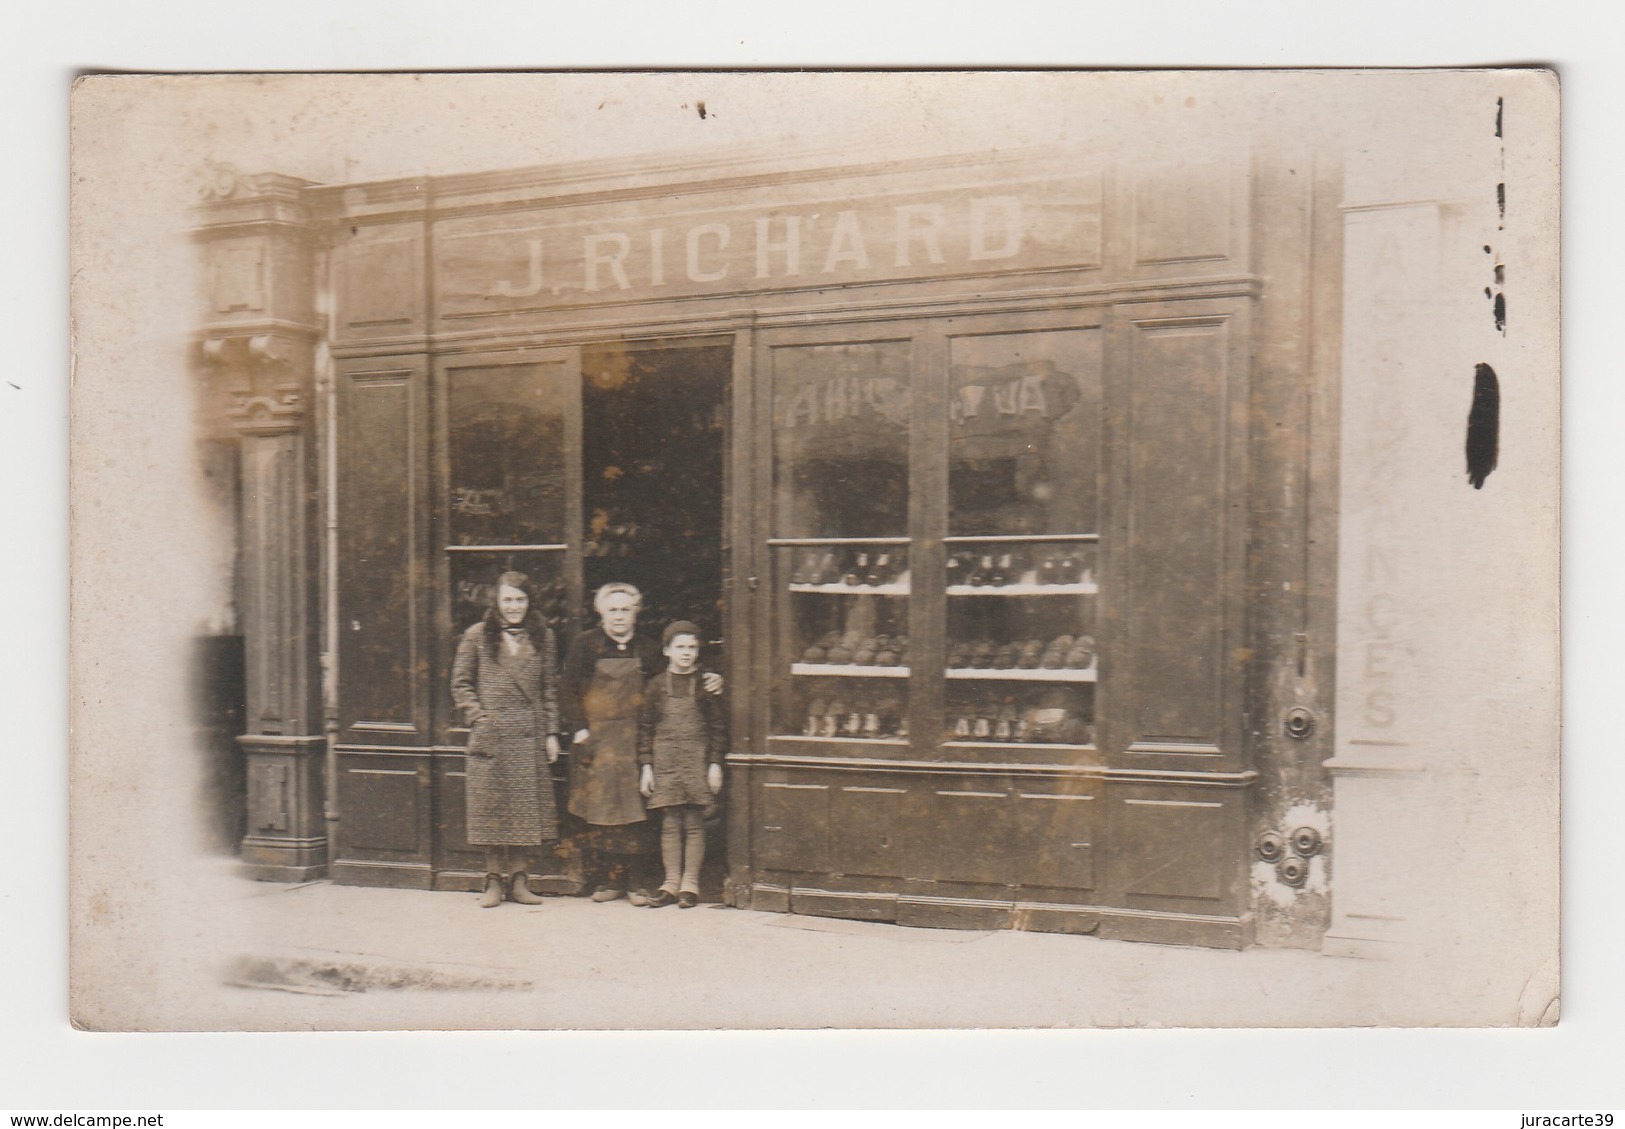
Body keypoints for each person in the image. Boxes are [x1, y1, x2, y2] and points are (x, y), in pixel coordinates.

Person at [561, 582, 721, 903]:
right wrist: (580, 729)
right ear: (601, 612)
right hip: (599, 738)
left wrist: (713, 678)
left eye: (625, 610)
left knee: (638, 811)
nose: (619, 616)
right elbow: (567, 689)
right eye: (613, 610)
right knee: (602, 810)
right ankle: (611, 881)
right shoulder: (585, 645)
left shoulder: (649, 649)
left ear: (635, 613)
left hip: (638, 739)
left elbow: (679, 676)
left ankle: (637, 882)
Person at [450, 571, 564, 909]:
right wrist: (479, 718)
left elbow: (549, 691)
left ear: (529, 602)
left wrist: (551, 733)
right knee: (491, 810)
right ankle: (493, 881)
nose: (514, 607)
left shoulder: (544, 637)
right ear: (496, 602)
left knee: (525, 810)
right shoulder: (476, 636)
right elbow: (460, 683)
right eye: (508, 600)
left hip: (528, 736)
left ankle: (519, 880)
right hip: (492, 735)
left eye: (520, 599)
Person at [637, 622, 726, 908]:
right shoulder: (654, 687)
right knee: (670, 823)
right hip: (665, 762)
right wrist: (647, 767)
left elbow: (717, 727)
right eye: (680, 647)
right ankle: (670, 884)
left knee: (695, 822)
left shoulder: (705, 685)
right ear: (666, 651)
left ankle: (691, 884)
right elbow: (645, 729)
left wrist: (714, 764)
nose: (686, 653)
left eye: (691, 647)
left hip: (696, 760)